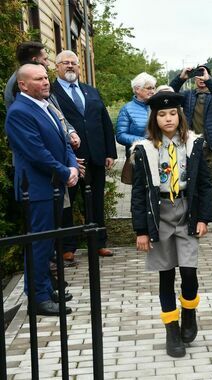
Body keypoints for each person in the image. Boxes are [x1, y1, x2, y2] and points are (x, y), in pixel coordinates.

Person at [130, 91, 212, 358]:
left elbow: (205, 184)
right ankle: (171, 332)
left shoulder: (193, 144)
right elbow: (139, 192)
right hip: (160, 214)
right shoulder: (145, 149)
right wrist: (141, 230)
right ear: (154, 118)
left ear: (180, 116)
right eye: (162, 114)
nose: (168, 118)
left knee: (189, 272)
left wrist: (203, 217)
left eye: (173, 113)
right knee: (166, 275)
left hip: (186, 212)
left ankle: (189, 313)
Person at [5, 64, 79, 316]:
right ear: (23, 85)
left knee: (48, 244)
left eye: (46, 77)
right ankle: (37, 298)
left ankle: (46, 289)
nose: (46, 82)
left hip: (54, 186)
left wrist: (71, 167)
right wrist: (63, 171)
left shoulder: (46, 105)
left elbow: (64, 139)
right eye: (38, 79)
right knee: (38, 244)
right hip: (36, 190)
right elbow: (36, 152)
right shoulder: (19, 112)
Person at [52, 50, 117, 258]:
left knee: (96, 200)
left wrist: (110, 151)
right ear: (57, 67)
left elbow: (104, 121)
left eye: (74, 63)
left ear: (79, 67)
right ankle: (67, 247)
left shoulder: (91, 91)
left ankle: (98, 243)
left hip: (96, 155)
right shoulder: (51, 93)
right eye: (65, 63)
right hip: (69, 158)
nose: (70, 66)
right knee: (67, 203)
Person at [170, 65, 212, 233]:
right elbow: (169, 94)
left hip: (211, 147)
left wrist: (209, 80)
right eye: (197, 75)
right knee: (192, 184)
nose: (200, 78)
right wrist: (182, 77)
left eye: (203, 74)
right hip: (191, 147)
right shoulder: (188, 96)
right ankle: (195, 218)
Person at [115, 72, 156, 157]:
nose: (152, 91)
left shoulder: (157, 106)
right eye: (149, 88)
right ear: (137, 89)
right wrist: (144, 141)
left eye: (153, 88)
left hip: (158, 154)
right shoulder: (127, 109)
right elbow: (120, 135)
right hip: (137, 156)